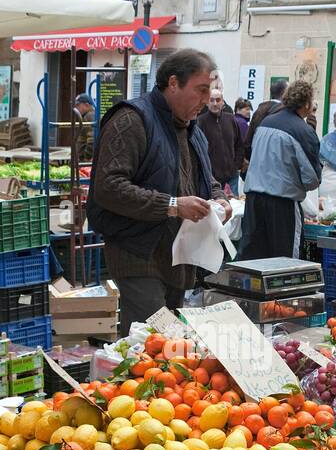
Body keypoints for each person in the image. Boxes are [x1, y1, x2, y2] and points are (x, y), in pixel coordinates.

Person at [86, 49, 231, 335]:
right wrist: (174, 205)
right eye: (200, 90)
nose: (205, 100)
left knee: (169, 346)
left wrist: (221, 201)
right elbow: (109, 187)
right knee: (150, 340)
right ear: (173, 83)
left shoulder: (193, 131)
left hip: (178, 257)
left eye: (209, 91)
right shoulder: (131, 120)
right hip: (138, 253)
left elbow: (207, 180)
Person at [240, 80, 321, 261]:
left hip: (253, 199)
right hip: (282, 203)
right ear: (307, 103)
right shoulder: (303, 131)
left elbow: (251, 153)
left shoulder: (266, 122)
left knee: (253, 258)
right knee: (284, 262)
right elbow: (312, 179)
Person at [197, 87, 243, 196]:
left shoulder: (231, 120)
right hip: (211, 178)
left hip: (232, 176)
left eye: (218, 100)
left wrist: (236, 165)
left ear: (223, 102)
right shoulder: (200, 122)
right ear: (207, 103)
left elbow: (239, 145)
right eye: (211, 100)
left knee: (234, 208)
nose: (215, 103)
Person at [243, 79, 288, 166]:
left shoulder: (259, 111)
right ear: (284, 93)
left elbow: (248, 140)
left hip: (256, 164)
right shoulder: (284, 113)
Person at [73, 93, 96, 162]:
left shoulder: (89, 116)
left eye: (78, 105)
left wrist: (86, 157)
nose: (76, 108)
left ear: (87, 105)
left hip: (85, 160)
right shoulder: (88, 116)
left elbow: (92, 139)